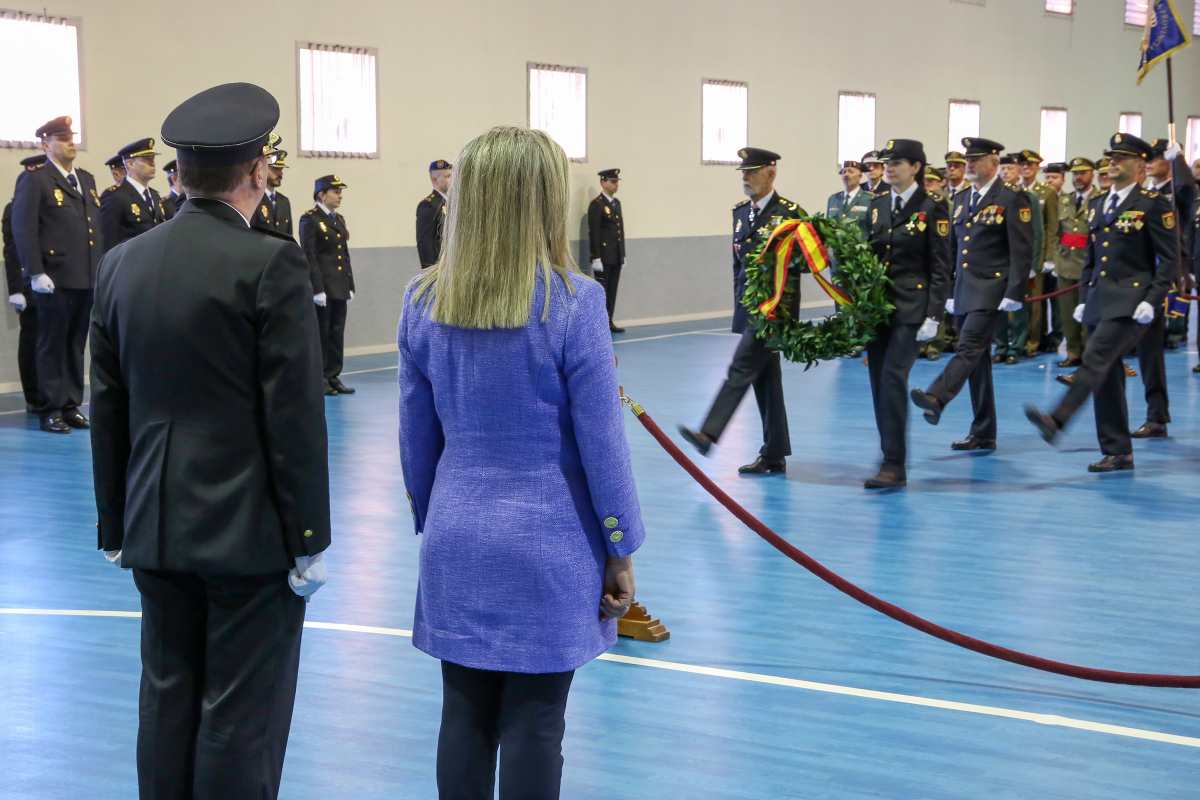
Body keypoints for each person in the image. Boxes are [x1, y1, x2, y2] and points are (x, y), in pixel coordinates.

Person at [90, 82, 330, 800]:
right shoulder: (270, 262)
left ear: (181, 176)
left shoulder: (122, 265)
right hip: (246, 532)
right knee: (240, 716)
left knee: (166, 701)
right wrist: (309, 534)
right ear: (257, 173)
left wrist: (114, 521)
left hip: (154, 523)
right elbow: (293, 417)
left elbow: (109, 405)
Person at [399, 126, 642, 800]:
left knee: (463, 716)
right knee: (537, 723)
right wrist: (621, 545)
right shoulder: (575, 302)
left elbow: (415, 445)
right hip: (549, 544)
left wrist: (434, 515)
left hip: (456, 536)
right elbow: (603, 445)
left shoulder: (422, 301)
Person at [1025, 133, 1179, 472]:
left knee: (1094, 359)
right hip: (1099, 300)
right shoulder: (1098, 204)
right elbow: (1091, 259)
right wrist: (1083, 297)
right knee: (1107, 375)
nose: (1112, 162)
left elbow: (1169, 260)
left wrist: (1152, 300)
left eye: (1121, 158)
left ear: (1140, 165)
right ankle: (1118, 451)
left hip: (1132, 300)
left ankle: (1058, 418)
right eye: (1110, 157)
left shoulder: (1153, 203)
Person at [678, 147, 803, 474]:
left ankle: (709, 433)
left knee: (740, 368)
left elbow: (802, 263)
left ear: (771, 173)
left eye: (752, 171)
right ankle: (774, 454)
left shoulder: (790, 214)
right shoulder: (740, 213)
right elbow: (739, 267)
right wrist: (741, 309)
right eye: (743, 172)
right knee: (766, 381)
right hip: (751, 310)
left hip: (774, 313)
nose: (745, 177)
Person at [910, 137, 1033, 452]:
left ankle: (937, 396)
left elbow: (1021, 250)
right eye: (968, 159)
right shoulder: (963, 198)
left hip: (992, 289)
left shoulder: (1010, 198)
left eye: (976, 159)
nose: (970, 164)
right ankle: (983, 432)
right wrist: (950, 290)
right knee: (977, 364)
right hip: (965, 289)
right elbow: (953, 250)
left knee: (967, 348)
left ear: (994, 162)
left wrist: (1015, 290)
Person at [860, 139, 951, 489]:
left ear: (915, 167)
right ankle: (888, 453)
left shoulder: (932, 207)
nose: (890, 167)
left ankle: (894, 464)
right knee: (877, 384)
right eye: (887, 162)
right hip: (880, 308)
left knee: (893, 379)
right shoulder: (878, 204)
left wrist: (935, 314)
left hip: (913, 309)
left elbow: (941, 266)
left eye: (897, 162)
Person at [10, 115, 105, 434]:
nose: (69, 142)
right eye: (61, 138)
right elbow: (24, 229)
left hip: (84, 275)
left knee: (76, 343)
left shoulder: (87, 180)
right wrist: (34, 271)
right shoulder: (35, 179)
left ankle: (70, 403)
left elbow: (93, 230)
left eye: (71, 136)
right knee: (52, 343)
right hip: (53, 278)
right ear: (45, 144)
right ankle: (50, 407)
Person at [300, 175, 355, 395]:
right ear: (322, 194)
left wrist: (350, 283)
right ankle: (320, 377)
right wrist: (317, 288)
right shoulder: (310, 220)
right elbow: (309, 255)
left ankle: (334, 375)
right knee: (321, 334)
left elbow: (344, 255)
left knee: (336, 332)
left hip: (339, 286)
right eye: (335, 191)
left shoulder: (338, 219)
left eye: (340, 191)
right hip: (323, 287)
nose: (340, 195)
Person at [3, 154, 48, 412]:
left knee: (49, 341)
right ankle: (33, 394)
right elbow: (12, 251)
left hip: (52, 283)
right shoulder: (14, 208)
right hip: (28, 284)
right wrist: (15, 290)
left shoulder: (51, 206)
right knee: (31, 340)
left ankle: (51, 391)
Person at [1052, 157, 1100, 379]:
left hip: (1088, 264)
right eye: (1075, 174)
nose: (1078, 178)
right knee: (1067, 313)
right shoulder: (1065, 200)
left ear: (1092, 174)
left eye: (1083, 173)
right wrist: (1054, 259)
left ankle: (1090, 355)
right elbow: (1055, 231)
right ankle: (1073, 352)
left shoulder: (1101, 199)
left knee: (1088, 313)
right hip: (1066, 263)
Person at [100, 138, 166, 248]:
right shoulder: (115, 197)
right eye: (146, 159)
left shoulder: (155, 196)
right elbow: (109, 242)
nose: (153, 163)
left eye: (153, 158)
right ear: (130, 164)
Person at [587, 168, 627, 332]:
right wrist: (596, 257)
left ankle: (609, 321)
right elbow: (594, 232)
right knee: (602, 292)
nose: (615, 184)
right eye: (612, 181)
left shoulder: (616, 204)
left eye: (616, 181)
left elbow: (620, 231)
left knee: (612, 291)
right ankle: (599, 324)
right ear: (603, 182)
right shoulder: (597, 205)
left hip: (615, 256)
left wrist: (622, 254)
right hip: (603, 258)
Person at [253, 137, 293, 237]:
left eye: (281, 169)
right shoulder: (254, 198)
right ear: (263, 169)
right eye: (276, 169)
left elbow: (289, 236)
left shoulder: (284, 201)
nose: (280, 174)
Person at [416, 159, 453, 268]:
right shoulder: (428, 205)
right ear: (434, 180)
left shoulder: (448, 203)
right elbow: (425, 244)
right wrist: (431, 274)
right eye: (447, 176)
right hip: (438, 271)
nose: (452, 180)